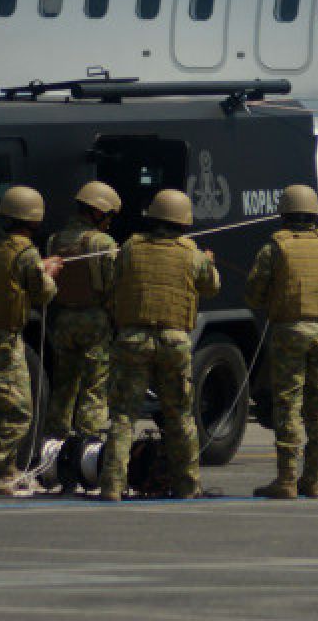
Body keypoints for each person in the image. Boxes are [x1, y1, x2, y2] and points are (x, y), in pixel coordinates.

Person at [98, 189, 220, 501]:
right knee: (179, 415)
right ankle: (187, 485)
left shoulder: (130, 248)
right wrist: (207, 262)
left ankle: (112, 486)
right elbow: (212, 286)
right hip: (173, 342)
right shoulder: (191, 254)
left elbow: (113, 283)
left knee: (123, 416)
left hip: (132, 340)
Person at [245, 184, 318, 500]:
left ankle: (287, 480)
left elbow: (253, 293)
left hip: (290, 331)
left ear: (285, 215)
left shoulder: (274, 248)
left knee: (288, 405)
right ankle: (313, 480)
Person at [0, 186, 63, 495]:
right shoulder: (26, 252)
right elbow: (43, 293)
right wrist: (50, 273)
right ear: (33, 219)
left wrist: (37, 268)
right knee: (18, 412)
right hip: (3, 340)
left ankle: (6, 470)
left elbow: (11, 274)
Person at [43, 181, 121, 441]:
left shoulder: (55, 241)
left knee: (63, 387)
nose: (110, 221)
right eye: (108, 215)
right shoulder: (103, 242)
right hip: (94, 322)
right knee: (94, 387)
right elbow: (114, 287)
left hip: (63, 321)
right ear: (97, 212)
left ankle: (53, 446)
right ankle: (90, 446)